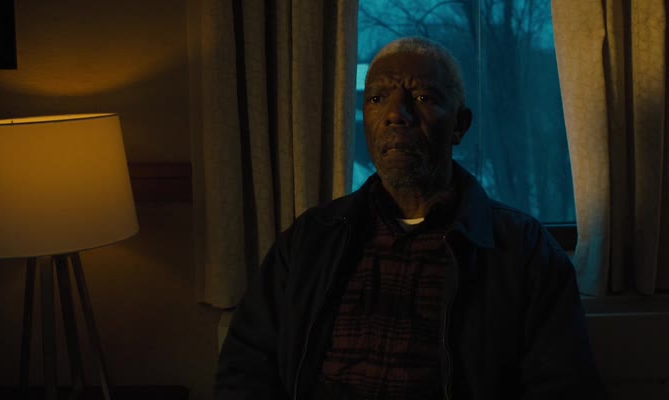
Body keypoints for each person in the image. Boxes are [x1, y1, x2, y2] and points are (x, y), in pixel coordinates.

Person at [215, 37, 605, 400]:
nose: (395, 115)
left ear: (460, 125)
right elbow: (246, 368)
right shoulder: (312, 238)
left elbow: (563, 386)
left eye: (421, 97)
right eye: (377, 98)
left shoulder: (524, 252)